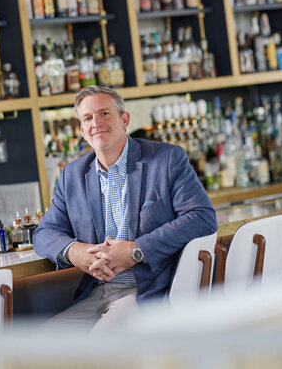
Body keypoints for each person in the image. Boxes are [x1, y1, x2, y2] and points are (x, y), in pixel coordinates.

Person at [33, 86, 217, 330]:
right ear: (82, 131)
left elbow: (202, 217)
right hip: (94, 292)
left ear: (124, 119)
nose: (96, 123)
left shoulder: (167, 159)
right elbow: (44, 233)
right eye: (87, 118)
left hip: (146, 291)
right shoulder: (72, 175)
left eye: (104, 114)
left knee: (101, 345)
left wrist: (136, 250)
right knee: (41, 344)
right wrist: (73, 251)